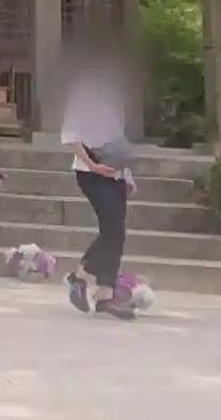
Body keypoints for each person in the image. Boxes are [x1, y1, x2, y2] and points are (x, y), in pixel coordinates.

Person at [59, 37, 139, 320]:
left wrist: (126, 173)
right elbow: (70, 136)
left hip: (115, 171)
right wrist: (93, 166)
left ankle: (106, 295)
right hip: (90, 172)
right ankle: (79, 275)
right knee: (112, 230)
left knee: (117, 232)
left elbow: (118, 140)